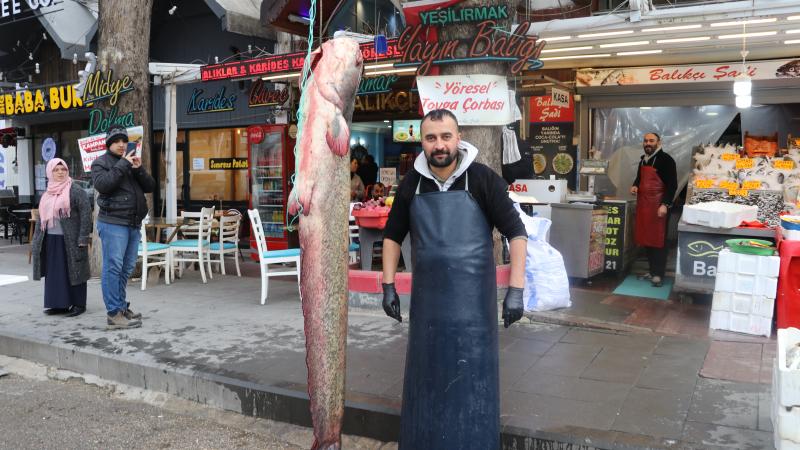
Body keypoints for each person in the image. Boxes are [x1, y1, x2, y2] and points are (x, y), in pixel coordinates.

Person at [380, 109, 527, 449]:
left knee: (472, 387)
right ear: (422, 142)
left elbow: (516, 233)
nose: (439, 144)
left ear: (458, 138)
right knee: (426, 384)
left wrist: (516, 290)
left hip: (474, 314)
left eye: (446, 136)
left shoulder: (483, 179)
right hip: (427, 312)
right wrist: (387, 285)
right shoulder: (410, 184)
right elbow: (392, 235)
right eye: (431, 138)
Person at [91, 125, 155, 330]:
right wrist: (123, 165)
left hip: (132, 223)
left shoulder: (130, 162)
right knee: (113, 268)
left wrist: (139, 169)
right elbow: (103, 185)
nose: (121, 144)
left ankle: (121, 307)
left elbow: (150, 187)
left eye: (124, 141)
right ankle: (113, 313)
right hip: (113, 224)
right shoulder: (100, 163)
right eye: (117, 141)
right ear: (109, 144)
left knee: (126, 268)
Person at [31, 158, 92, 317]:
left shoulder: (75, 190)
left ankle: (79, 304)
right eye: (56, 170)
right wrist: (36, 240)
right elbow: (41, 219)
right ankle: (58, 304)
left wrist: (83, 237)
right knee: (55, 273)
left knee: (75, 270)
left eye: (63, 169)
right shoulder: (47, 194)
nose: (60, 172)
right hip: (51, 239)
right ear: (50, 173)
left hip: (71, 240)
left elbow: (86, 215)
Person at [630, 132, 677, 288]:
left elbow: (672, 185)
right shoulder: (643, 160)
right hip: (644, 205)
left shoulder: (666, 160)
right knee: (647, 238)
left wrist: (665, 204)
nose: (647, 143)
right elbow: (639, 177)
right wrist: (635, 185)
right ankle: (651, 270)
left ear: (659, 142)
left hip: (659, 206)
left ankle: (658, 274)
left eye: (651, 141)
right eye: (645, 141)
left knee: (659, 240)